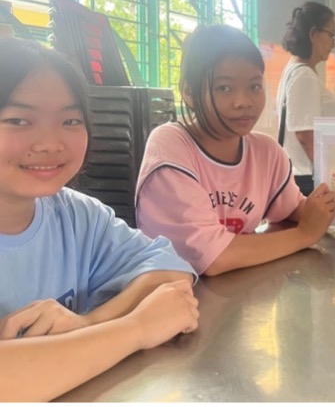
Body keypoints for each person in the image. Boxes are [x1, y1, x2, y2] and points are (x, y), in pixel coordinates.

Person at [0, 39, 199, 401]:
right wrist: (137, 327)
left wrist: (87, 324)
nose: (50, 142)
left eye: (70, 120)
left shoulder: (76, 215)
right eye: (17, 120)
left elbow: (172, 270)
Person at [136, 25, 335, 276]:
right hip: (170, 299)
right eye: (224, 88)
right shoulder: (170, 145)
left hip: (235, 298)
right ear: (189, 92)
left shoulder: (265, 151)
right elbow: (214, 257)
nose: (244, 102)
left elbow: (294, 208)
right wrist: (305, 234)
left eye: (254, 86)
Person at [276, 2, 335, 196]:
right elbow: (305, 136)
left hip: (302, 174)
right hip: (306, 176)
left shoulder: (295, 69)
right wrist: (329, 177)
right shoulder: (303, 75)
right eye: (332, 35)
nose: (334, 43)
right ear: (314, 33)